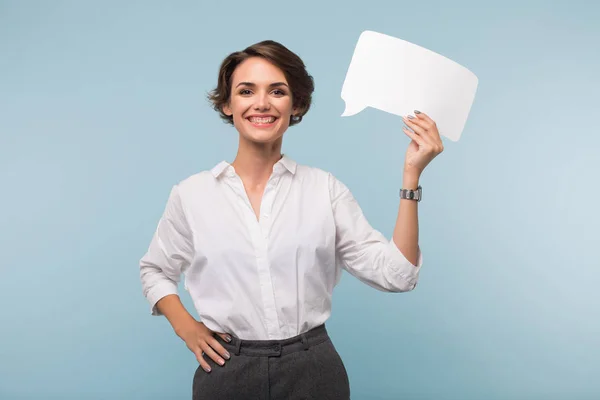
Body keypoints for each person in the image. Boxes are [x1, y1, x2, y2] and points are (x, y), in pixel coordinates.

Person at [139, 39, 444, 400]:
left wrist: (411, 176)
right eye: (246, 90)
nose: (262, 103)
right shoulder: (191, 195)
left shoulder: (324, 190)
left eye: (278, 91)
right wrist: (187, 328)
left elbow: (399, 275)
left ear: (296, 104)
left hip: (313, 371)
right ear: (227, 103)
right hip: (226, 371)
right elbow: (154, 270)